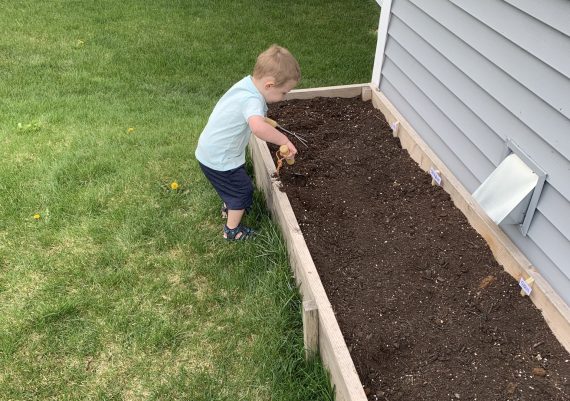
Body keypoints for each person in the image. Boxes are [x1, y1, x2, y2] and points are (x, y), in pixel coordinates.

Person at [195, 44, 300, 240]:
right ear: (269, 85)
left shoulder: (247, 85)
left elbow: (249, 115)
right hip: (221, 159)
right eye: (284, 92)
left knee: (233, 185)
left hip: (211, 151)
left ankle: (230, 205)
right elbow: (258, 127)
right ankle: (232, 231)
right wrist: (283, 139)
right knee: (242, 191)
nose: (285, 97)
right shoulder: (251, 100)